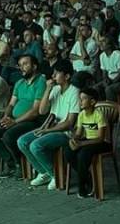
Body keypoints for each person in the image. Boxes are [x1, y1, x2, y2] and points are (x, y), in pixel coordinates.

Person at [18, 61, 80, 190]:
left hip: (65, 133)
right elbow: (42, 111)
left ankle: (56, 175)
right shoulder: (56, 89)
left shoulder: (74, 92)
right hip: (50, 128)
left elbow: (69, 123)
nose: (53, 76)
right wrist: (47, 89)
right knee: (22, 141)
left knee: (36, 145)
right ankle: (44, 172)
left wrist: (47, 131)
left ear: (67, 76)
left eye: (57, 74)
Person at [0, 53, 47, 178]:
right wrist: (6, 116)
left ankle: (20, 165)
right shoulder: (19, 83)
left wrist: (15, 121)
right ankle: (11, 162)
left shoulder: (41, 81)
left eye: (25, 64)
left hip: (32, 121)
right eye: (20, 65)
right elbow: (11, 104)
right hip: (14, 119)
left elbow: (35, 110)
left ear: (34, 66)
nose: (22, 67)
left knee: (9, 135)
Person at [61, 88, 111, 198]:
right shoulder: (82, 114)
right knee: (68, 150)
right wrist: (74, 139)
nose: (80, 101)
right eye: (80, 99)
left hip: (103, 143)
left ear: (92, 102)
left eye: (83, 99)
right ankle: (86, 176)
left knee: (83, 154)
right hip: (89, 141)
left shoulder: (99, 115)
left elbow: (100, 138)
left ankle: (82, 186)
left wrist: (81, 144)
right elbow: (79, 133)